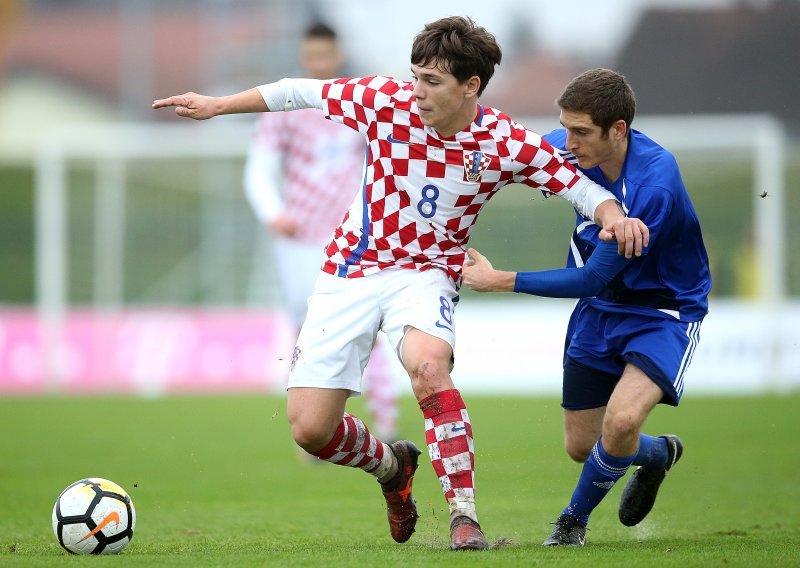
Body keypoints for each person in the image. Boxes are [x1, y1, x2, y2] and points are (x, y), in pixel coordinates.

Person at [153, 19, 648, 551]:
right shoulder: (383, 101)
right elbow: (298, 91)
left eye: (432, 81)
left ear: (471, 87)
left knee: (430, 369)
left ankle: (464, 517)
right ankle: (393, 468)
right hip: (351, 268)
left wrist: (613, 214)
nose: (417, 91)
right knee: (310, 430)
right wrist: (217, 105)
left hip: (427, 274)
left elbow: (575, 183)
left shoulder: (503, 141)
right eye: (415, 77)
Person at [462, 68, 711, 546]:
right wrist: (476, 167)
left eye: (580, 132)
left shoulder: (651, 187)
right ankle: (658, 455)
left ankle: (570, 523)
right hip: (599, 311)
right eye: (566, 127)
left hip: (661, 312)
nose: (568, 142)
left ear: (618, 130)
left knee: (620, 422)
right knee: (582, 446)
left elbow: (594, 275)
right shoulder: (569, 144)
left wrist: (502, 281)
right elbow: (513, 149)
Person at [244, 23, 399, 443]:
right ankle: (313, 430)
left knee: (371, 324)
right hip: (300, 237)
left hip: (352, 236)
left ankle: (385, 420)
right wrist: (273, 211)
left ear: (338, 55)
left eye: (324, 57)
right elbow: (259, 166)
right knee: (304, 329)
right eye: (311, 57)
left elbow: (384, 160)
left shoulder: (357, 104)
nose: (318, 64)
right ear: (303, 57)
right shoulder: (284, 108)